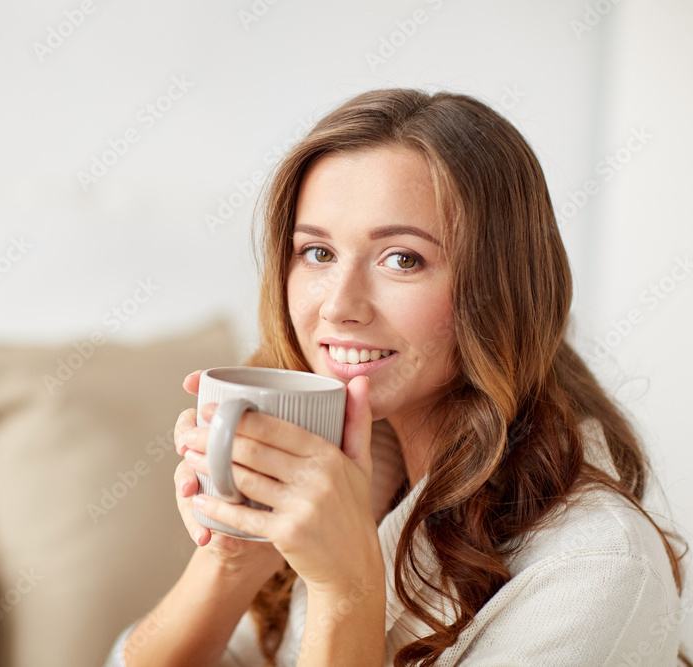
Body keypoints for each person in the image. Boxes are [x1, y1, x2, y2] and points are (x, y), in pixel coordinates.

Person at [105, 88, 690, 666]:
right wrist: (232, 559)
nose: (339, 306)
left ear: (503, 290)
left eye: (402, 259)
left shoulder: (596, 569)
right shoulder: (353, 471)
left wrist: (347, 589)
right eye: (317, 253)